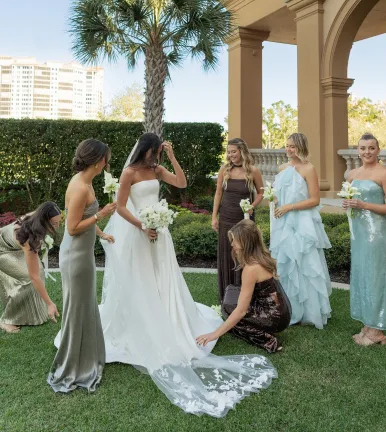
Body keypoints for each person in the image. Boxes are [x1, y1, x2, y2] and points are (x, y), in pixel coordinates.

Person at [99, 133, 277, 418]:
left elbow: (181, 182)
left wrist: (171, 157)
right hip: (140, 232)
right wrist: (142, 226)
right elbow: (120, 207)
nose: (159, 154)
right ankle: (146, 318)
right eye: (158, 150)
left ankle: (167, 314)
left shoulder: (157, 169)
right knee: (143, 279)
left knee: (164, 278)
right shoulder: (130, 172)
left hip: (160, 234)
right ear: (148, 149)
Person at [48, 139, 116, 393]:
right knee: (77, 308)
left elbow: (83, 218)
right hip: (75, 257)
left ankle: (85, 357)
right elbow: (72, 227)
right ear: (99, 162)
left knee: (85, 304)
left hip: (82, 253)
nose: (107, 164)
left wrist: (101, 233)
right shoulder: (80, 188)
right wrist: (102, 214)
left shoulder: (84, 181)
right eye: (107, 159)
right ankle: (72, 366)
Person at [196, 219, 291, 353]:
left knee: (230, 308)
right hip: (283, 311)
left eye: (235, 240)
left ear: (246, 242)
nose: (232, 244)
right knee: (231, 293)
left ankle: (268, 340)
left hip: (274, 318)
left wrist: (214, 334)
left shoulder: (251, 268)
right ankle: (235, 324)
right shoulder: (262, 257)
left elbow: (241, 311)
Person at [342, 133, 386, 346]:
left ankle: (377, 333)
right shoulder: (353, 174)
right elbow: (351, 200)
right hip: (358, 233)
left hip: (376, 233)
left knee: (375, 276)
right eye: (363, 148)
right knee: (362, 275)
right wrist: (348, 204)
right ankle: (368, 324)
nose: (367, 152)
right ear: (357, 150)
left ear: (378, 150)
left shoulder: (384, 174)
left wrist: (364, 205)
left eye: (371, 148)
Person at [270, 132, 332, 329]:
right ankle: (289, 309)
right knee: (286, 263)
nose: (288, 149)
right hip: (282, 221)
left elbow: (315, 199)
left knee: (304, 263)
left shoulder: (309, 169)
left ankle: (308, 311)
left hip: (301, 221)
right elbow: (280, 194)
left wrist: (289, 207)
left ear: (301, 147)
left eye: (293, 146)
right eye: (287, 146)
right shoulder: (282, 168)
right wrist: (275, 201)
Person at [212, 138, 264, 302]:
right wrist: (214, 216)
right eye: (229, 152)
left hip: (244, 220)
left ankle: (247, 297)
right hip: (226, 218)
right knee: (228, 254)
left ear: (242, 151)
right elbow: (218, 194)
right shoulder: (224, 170)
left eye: (233, 151)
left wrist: (252, 206)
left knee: (245, 254)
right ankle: (227, 298)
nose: (231, 155)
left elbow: (261, 192)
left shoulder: (253, 171)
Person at [0, 202, 61, 333]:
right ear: (44, 221)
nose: (57, 226)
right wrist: (50, 303)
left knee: (40, 272)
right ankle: (6, 320)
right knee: (29, 278)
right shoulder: (30, 239)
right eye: (54, 224)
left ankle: (37, 309)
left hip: (14, 246)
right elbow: (34, 277)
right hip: (2, 251)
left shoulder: (37, 216)